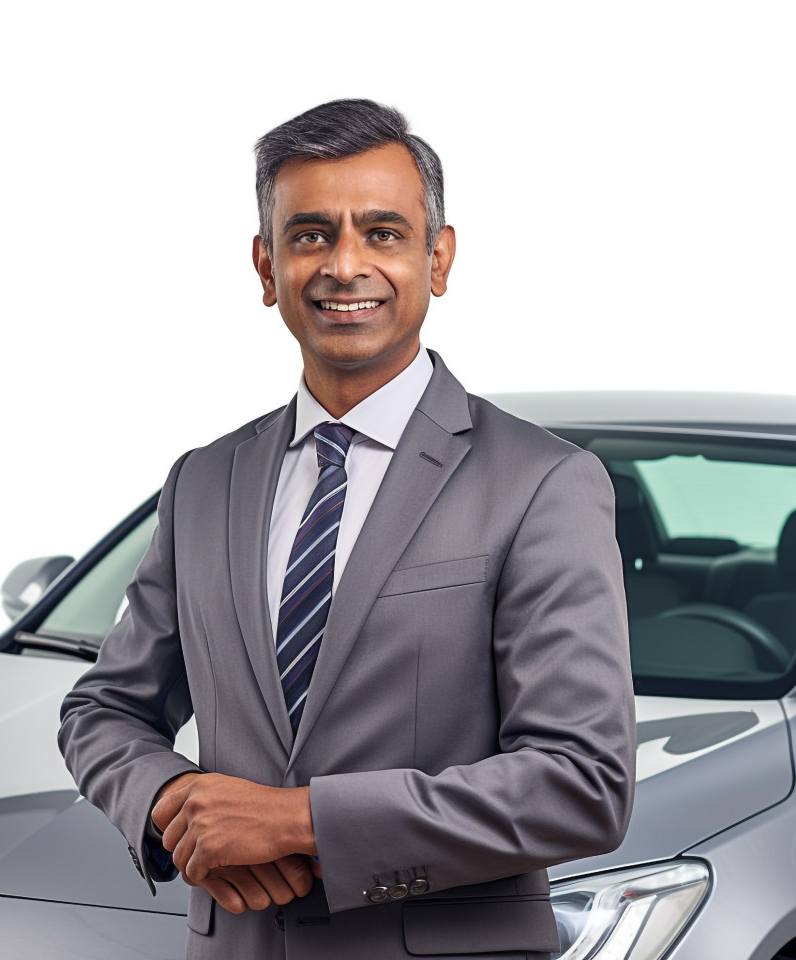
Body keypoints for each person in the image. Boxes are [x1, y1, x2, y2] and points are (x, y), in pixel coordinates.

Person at [58, 98, 635, 960]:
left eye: (384, 233)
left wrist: (294, 822)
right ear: (266, 267)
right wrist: (175, 808)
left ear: (438, 259)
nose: (345, 265)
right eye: (311, 234)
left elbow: (581, 784)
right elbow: (104, 707)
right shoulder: (204, 481)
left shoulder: (543, 484)